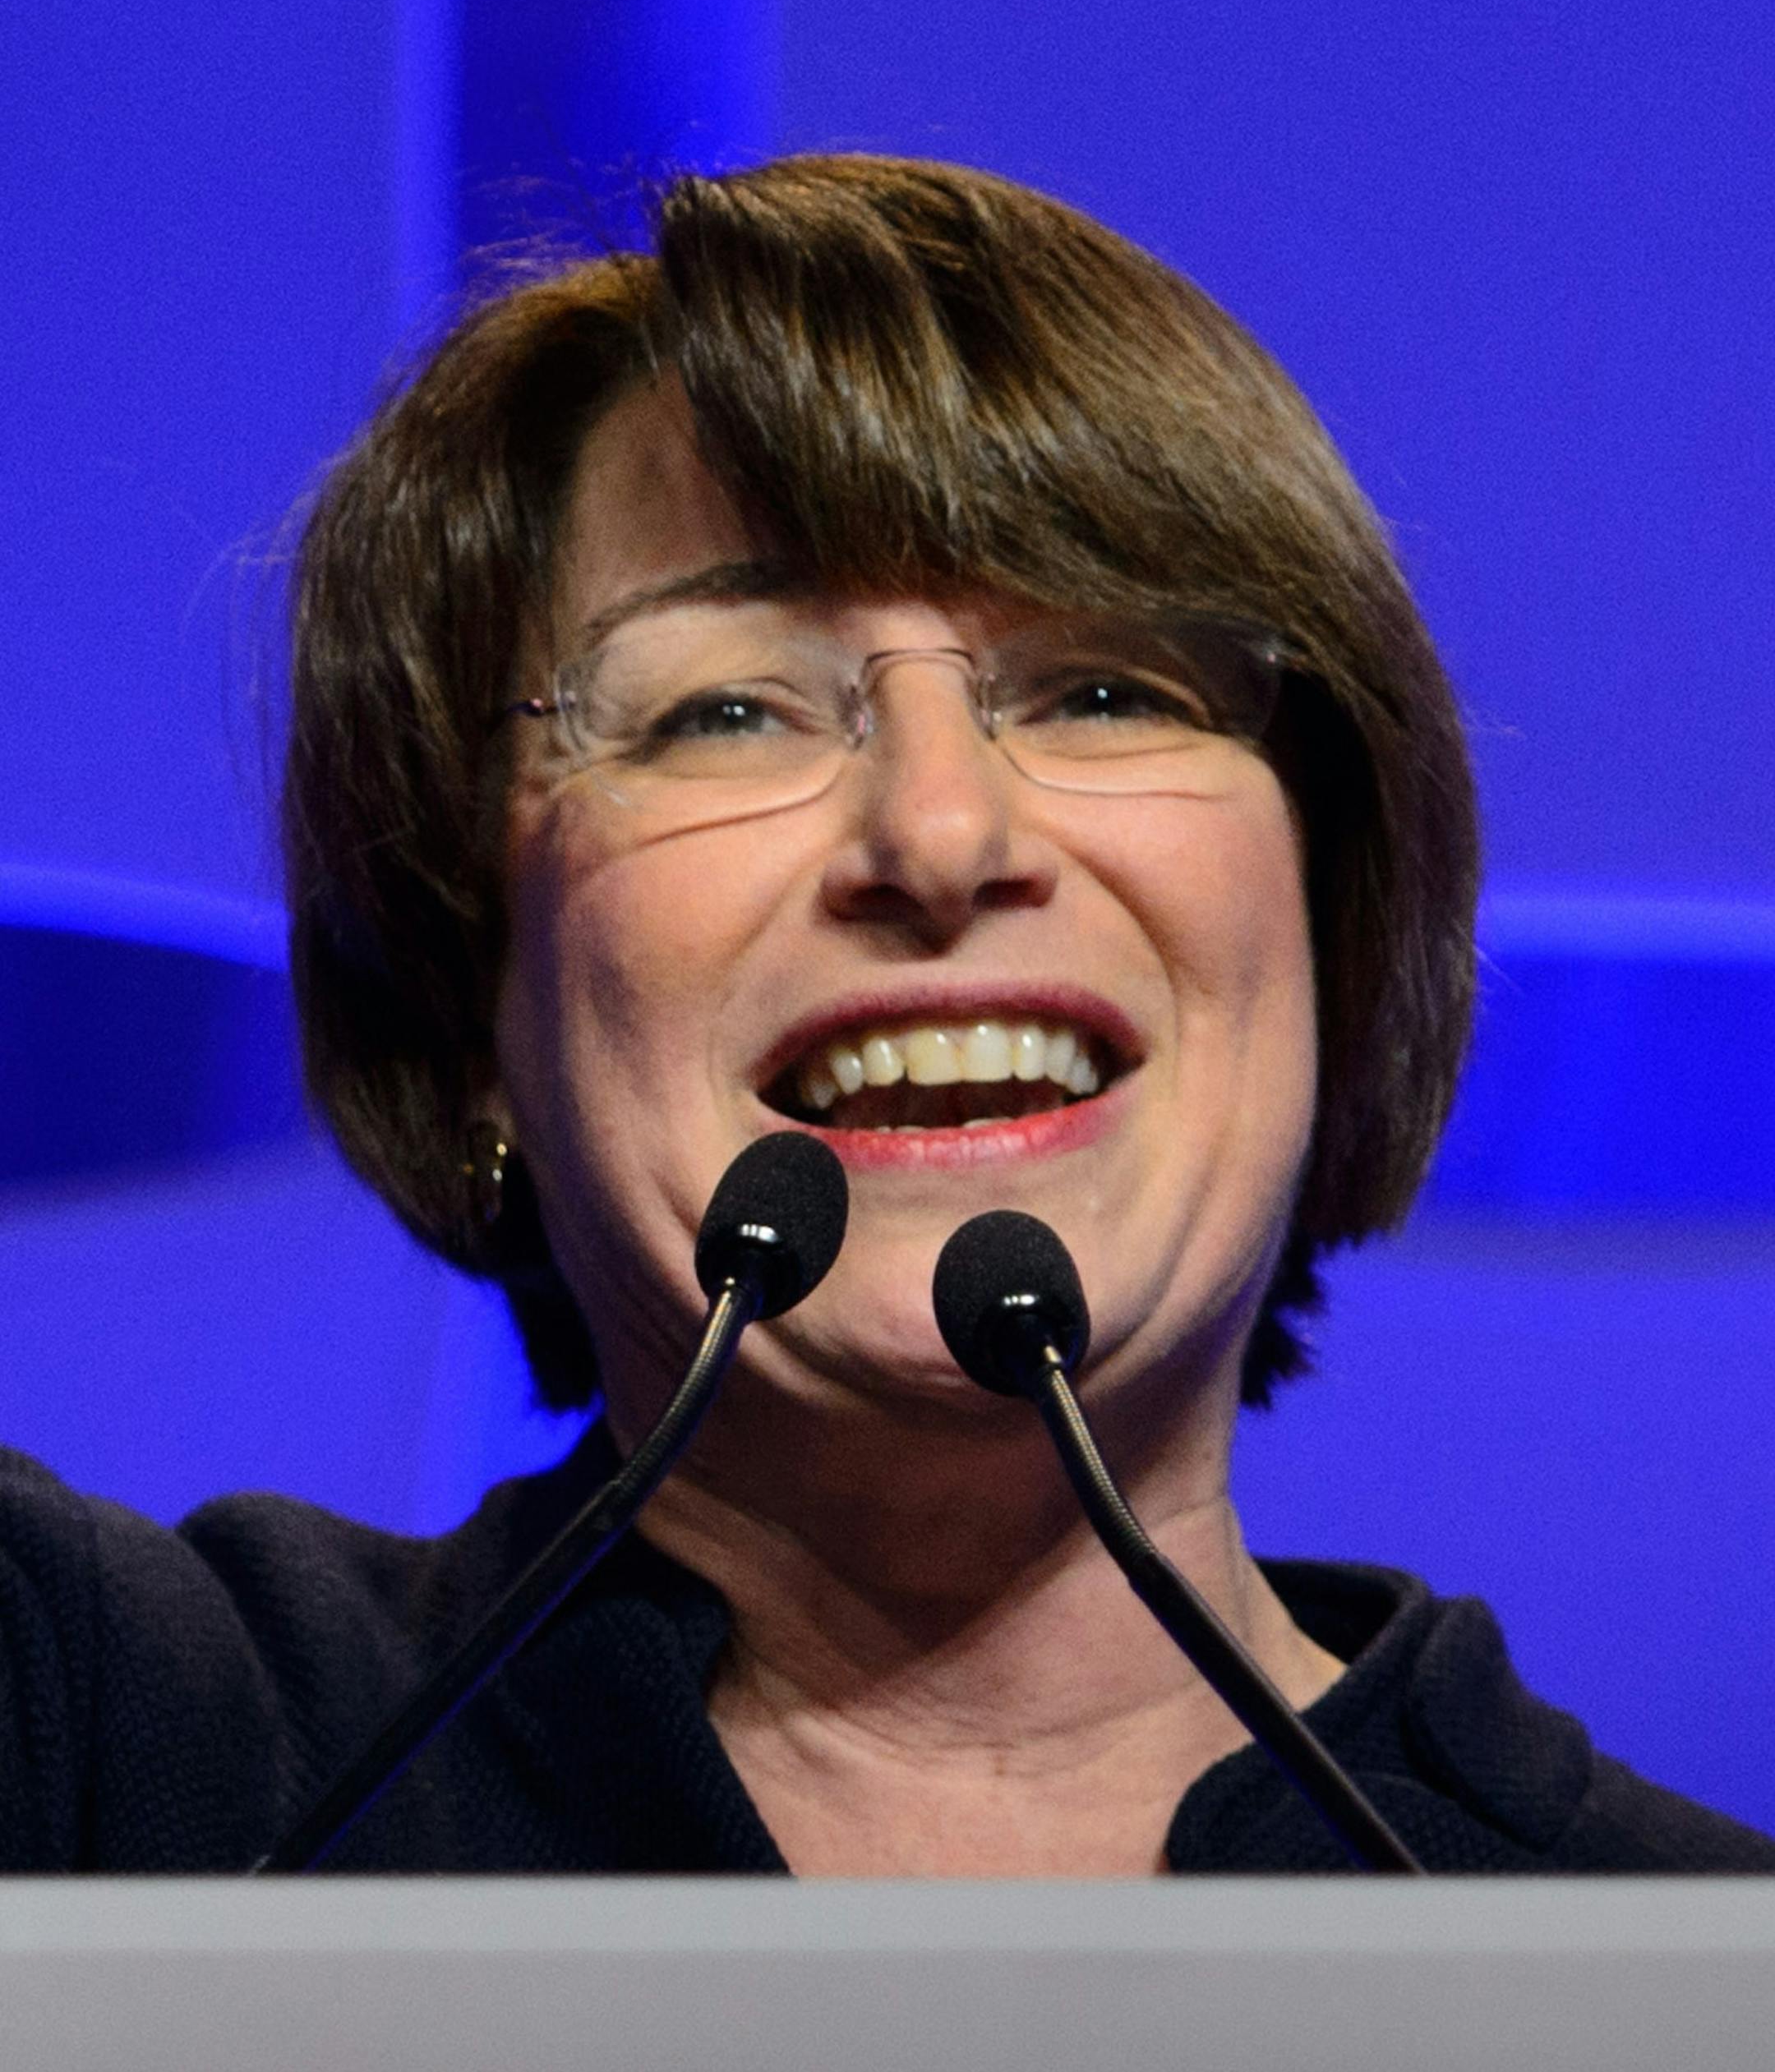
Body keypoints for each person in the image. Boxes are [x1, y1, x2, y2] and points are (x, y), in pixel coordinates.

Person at [5, 153, 1771, 1872]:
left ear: (1329, 912)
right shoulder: (114, 1747)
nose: (942, 832)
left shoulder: (1684, 1957)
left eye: (1101, 685)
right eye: (724, 711)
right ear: (473, 1007)